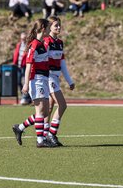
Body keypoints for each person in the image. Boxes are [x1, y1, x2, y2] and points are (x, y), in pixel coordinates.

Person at [12, 19, 55, 148]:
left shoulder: (42, 44)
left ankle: (19, 128)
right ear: (43, 28)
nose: (49, 30)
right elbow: (28, 66)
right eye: (48, 27)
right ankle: (40, 141)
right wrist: (26, 84)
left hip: (44, 79)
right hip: (36, 80)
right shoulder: (34, 45)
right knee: (41, 112)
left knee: (45, 111)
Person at [43, 16, 75, 146]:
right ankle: (51, 134)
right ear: (49, 27)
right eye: (56, 25)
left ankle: (43, 135)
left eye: (59, 25)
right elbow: (42, 60)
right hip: (48, 76)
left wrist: (69, 80)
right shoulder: (47, 41)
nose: (58, 27)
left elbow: (62, 63)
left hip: (55, 77)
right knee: (62, 105)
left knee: (49, 108)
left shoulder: (60, 42)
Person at [12, 32, 31, 105]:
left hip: (25, 66)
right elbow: (16, 54)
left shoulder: (28, 45)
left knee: (24, 82)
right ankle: (24, 96)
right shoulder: (19, 45)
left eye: (24, 38)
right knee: (19, 82)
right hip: (18, 66)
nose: (23, 40)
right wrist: (14, 63)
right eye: (22, 38)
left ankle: (26, 97)